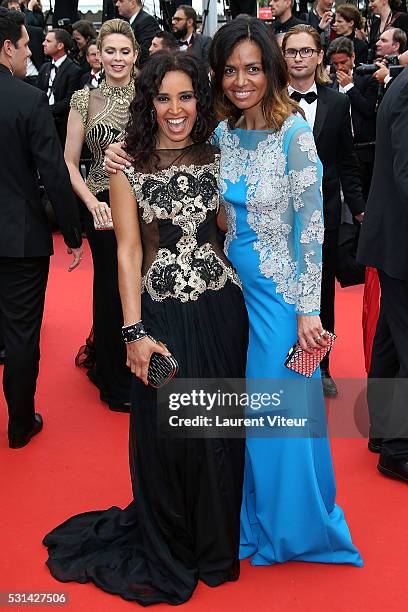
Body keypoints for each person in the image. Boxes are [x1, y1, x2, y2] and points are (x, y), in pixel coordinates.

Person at [43, 51, 248, 606]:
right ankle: (176, 539)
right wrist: (132, 331)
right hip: (163, 312)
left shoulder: (224, 148)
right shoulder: (126, 162)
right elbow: (129, 251)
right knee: (170, 436)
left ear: (199, 100)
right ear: (148, 101)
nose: (175, 109)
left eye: (185, 97)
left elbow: (238, 224)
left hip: (224, 309)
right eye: (163, 98)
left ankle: (216, 544)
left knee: (221, 432)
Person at [208, 15, 362, 568]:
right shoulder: (223, 133)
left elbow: (313, 225)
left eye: (252, 68)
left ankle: (292, 527)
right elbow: (220, 207)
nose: (241, 79)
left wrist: (307, 310)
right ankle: (263, 510)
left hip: (279, 296)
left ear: (270, 71)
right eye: (230, 70)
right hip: (232, 289)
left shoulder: (295, 133)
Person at [0, 7, 82, 449]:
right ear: (8, 46)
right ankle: (19, 424)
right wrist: (72, 233)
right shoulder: (28, 99)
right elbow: (53, 171)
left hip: (18, 238)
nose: (30, 53)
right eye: (26, 45)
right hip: (20, 239)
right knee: (20, 334)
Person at [282, 24, 365, 397]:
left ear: (319, 56)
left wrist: (360, 208)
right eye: (291, 51)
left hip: (324, 213)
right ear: (283, 57)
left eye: (305, 51)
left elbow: (347, 160)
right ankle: (278, 368)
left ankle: (318, 368)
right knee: (280, 290)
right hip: (278, 214)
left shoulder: (337, 102)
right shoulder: (267, 101)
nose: (299, 58)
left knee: (319, 294)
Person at [65, 19, 139, 413]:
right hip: (103, 204)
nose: (116, 58)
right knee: (112, 288)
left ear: (135, 54)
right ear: (97, 54)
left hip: (146, 203)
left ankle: (149, 363)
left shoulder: (150, 94)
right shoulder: (83, 99)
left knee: (147, 283)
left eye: (124, 51)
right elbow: (69, 162)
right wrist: (91, 203)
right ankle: (115, 379)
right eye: (109, 50)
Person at [357, 63, 408, 484]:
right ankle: (398, 450)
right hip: (402, 243)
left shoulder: (402, 83)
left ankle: (382, 434)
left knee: (391, 342)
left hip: (396, 242)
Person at [327, 36, 377, 200]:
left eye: (343, 62)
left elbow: (368, 110)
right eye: (336, 64)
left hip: (362, 150)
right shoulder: (330, 83)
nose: (340, 67)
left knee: (364, 198)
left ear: (353, 57)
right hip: (338, 151)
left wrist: (349, 87)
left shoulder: (368, 78)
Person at [36, 29, 82, 146]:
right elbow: (38, 93)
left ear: (60, 45)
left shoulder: (74, 70)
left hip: (62, 127)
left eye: (48, 41)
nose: (43, 43)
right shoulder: (44, 68)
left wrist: (47, 110)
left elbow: (70, 101)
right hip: (42, 123)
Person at [115, 0, 158, 64]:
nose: (117, 4)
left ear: (133, 3)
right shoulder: (129, 22)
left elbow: (145, 52)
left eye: (121, 1)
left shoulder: (147, 21)